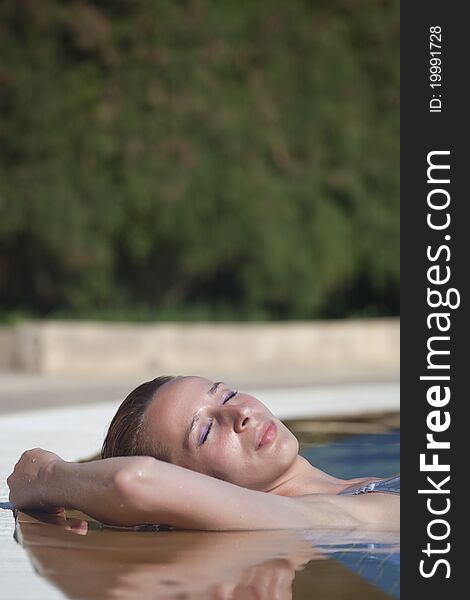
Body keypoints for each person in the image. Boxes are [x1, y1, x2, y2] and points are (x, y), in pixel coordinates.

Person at [8, 375, 400, 531]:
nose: (239, 414)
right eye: (207, 431)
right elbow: (132, 482)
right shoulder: (308, 516)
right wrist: (47, 475)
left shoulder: (348, 492)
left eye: (226, 394)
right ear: (188, 484)